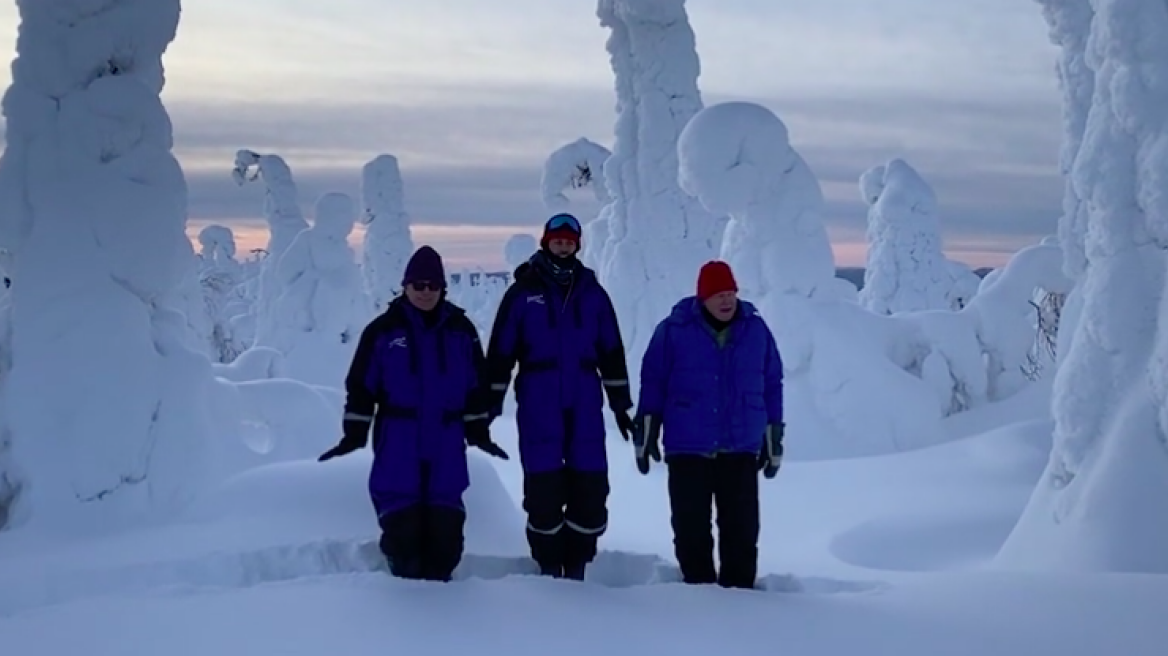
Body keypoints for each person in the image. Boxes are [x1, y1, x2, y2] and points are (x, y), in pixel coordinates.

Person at [318, 245, 509, 582]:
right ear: (405, 286)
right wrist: (354, 432)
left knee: (446, 539)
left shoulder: (460, 330)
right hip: (399, 439)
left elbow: (477, 386)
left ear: (442, 289)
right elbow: (362, 386)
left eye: (432, 286)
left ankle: (443, 602)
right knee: (402, 535)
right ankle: (405, 605)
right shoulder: (383, 331)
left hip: (446, 441)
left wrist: (479, 431)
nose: (425, 292)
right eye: (418, 285)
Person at [486, 212, 635, 580]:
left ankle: (578, 563)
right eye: (558, 239)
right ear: (546, 241)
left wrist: (620, 404)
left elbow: (612, 351)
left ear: (577, 244)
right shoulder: (523, 293)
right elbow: (501, 351)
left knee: (590, 485)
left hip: (584, 398)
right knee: (544, 486)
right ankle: (549, 564)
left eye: (570, 240)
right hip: (539, 397)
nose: (563, 245)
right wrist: (489, 402)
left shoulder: (593, 294)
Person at [632, 260, 784, 589]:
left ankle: (740, 595)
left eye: (730, 293)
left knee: (741, 530)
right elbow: (653, 381)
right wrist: (646, 429)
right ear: (703, 298)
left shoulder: (755, 330)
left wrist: (774, 432)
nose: (727, 300)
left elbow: (772, 382)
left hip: (739, 445)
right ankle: (698, 596)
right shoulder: (673, 330)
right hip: (688, 447)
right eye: (718, 295)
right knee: (691, 529)